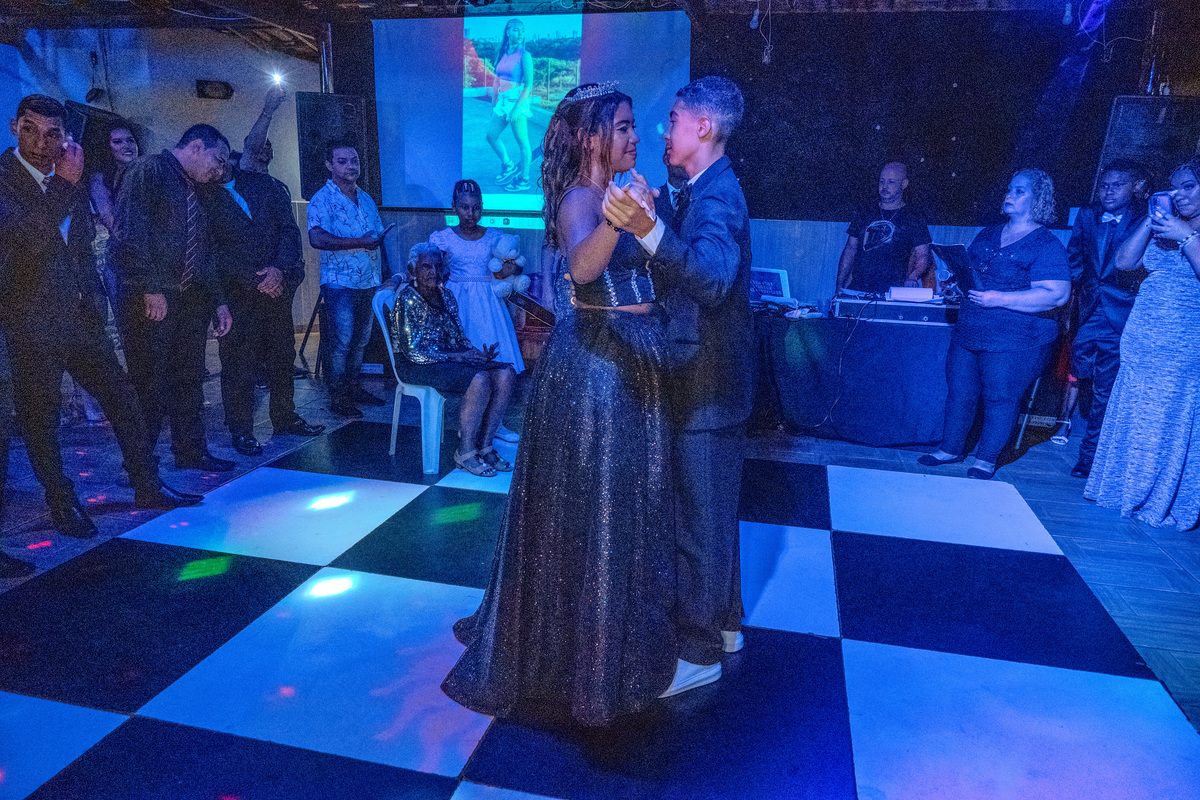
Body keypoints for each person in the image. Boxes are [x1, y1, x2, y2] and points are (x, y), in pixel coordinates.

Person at [443, 84, 678, 725]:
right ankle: (583, 662)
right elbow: (581, 268)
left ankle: (607, 640)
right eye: (623, 127)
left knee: (616, 504)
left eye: (634, 126)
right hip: (599, 365)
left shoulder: (619, 192)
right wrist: (619, 220)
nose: (635, 137)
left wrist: (647, 217)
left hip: (632, 357)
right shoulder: (581, 198)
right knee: (598, 505)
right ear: (591, 137)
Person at [604, 75, 754, 696]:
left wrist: (646, 227)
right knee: (713, 515)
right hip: (710, 382)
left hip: (708, 386)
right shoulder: (702, 188)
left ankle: (697, 652)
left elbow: (712, 279)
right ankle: (725, 626)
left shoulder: (720, 195)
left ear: (703, 127)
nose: (662, 131)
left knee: (699, 522)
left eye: (672, 120)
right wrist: (657, 211)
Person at [0, 95, 201, 538]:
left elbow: (80, 246)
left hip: (81, 317)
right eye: (30, 129)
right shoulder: (8, 179)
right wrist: (64, 185)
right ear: (14, 127)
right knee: (41, 418)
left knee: (124, 400)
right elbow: (25, 241)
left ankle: (147, 485)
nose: (41, 142)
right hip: (31, 320)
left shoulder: (68, 174)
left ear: (65, 136)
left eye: (52, 133)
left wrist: (94, 297)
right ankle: (62, 501)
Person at [919, 169, 1070, 480]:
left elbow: (1056, 294)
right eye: (1009, 189)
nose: (1009, 195)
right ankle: (950, 449)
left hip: (1015, 337)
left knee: (1000, 397)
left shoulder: (1046, 244)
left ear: (1038, 199)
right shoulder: (988, 234)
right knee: (960, 392)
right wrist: (955, 284)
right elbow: (973, 275)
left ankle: (986, 459)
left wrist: (999, 298)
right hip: (971, 329)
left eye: (1019, 191)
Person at [1085, 157, 1200, 530]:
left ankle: (1158, 495)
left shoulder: (1186, 231)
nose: (1179, 195)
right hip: (1143, 333)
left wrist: (1185, 235)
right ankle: (1122, 488)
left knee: (1167, 416)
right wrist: (1152, 221)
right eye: (1174, 187)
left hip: (1183, 339)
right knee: (1134, 411)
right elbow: (1124, 262)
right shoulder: (1163, 224)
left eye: (1189, 187)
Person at [112, 123, 235, 472]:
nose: (220, 170)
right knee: (149, 383)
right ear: (196, 146)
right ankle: (139, 466)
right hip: (151, 294)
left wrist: (218, 300)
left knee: (189, 378)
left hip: (190, 297)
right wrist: (150, 287)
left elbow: (206, 249)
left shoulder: (199, 187)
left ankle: (191, 451)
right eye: (218, 159)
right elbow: (131, 233)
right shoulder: (148, 171)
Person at [202, 156, 324, 457]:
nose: (214, 167)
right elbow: (210, 252)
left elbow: (288, 230)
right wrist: (255, 278)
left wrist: (278, 270)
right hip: (236, 292)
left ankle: (285, 417)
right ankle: (241, 429)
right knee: (239, 364)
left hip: (277, 287)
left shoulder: (263, 184)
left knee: (282, 356)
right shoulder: (203, 196)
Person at [389, 243, 515, 476]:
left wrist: (476, 353)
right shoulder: (407, 299)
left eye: (438, 266)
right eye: (426, 266)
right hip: (415, 364)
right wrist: (459, 357)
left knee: (506, 373)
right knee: (479, 379)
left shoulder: (446, 295)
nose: (433, 272)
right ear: (413, 270)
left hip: (446, 358)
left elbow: (458, 338)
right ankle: (465, 451)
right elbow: (414, 352)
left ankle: (485, 446)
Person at [1065, 159, 1148, 478]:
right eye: (1104, 185)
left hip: (1121, 312)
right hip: (1087, 310)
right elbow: (1074, 258)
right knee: (1080, 372)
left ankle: (1089, 457)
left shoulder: (1144, 217)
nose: (1109, 191)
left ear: (1135, 187)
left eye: (1117, 185)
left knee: (1105, 387)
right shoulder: (1087, 215)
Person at [307, 141, 387, 417]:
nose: (351, 166)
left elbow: (375, 234)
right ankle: (338, 397)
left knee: (361, 340)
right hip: (340, 282)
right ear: (329, 165)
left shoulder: (366, 198)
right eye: (342, 161)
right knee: (340, 342)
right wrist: (358, 242)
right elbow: (316, 238)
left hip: (368, 279)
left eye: (354, 160)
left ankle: (353, 388)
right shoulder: (321, 199)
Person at [429, 180, 526, 377]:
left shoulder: (494, 236)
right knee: (461, 353)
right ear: (454, 207)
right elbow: (429, 266)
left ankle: (494, 383)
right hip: (456, 297)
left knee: (493, 352)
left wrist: (511, 268)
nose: (471, 213)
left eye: (476, 208)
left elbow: (513, 267)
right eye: (464, 207)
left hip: (488, 300)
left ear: (482, 207)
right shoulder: (444, 237)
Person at [836, 162, 933, 293]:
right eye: (882, 181)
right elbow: (850, 250)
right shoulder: (864, 212)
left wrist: (913, 277)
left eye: (891, 182)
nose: (884, 186)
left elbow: (923, 255)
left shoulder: (914, 217)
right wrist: (839, 285)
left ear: (904, 184)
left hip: (893, 292)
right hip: (859, 289)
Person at [487, 19, 534, 192]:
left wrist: (515, 109)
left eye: (522, 30)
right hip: (502, 101)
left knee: (523, 143)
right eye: (516, 30)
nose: (520, 33)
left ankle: (524, 179)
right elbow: (497, 80)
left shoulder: (525, 55)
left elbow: (528, 86)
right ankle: (508, 165)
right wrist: (494, 103)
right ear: (508, 32)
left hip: (517, 102)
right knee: (491, 136)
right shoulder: (503, 53)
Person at [242, 83, 285, 175]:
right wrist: (268, 110)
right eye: (261, 149)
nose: (263, 154)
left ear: (272, 154)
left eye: (267, 150)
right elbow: (253, 147)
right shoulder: (245, 172)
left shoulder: (274, 183)